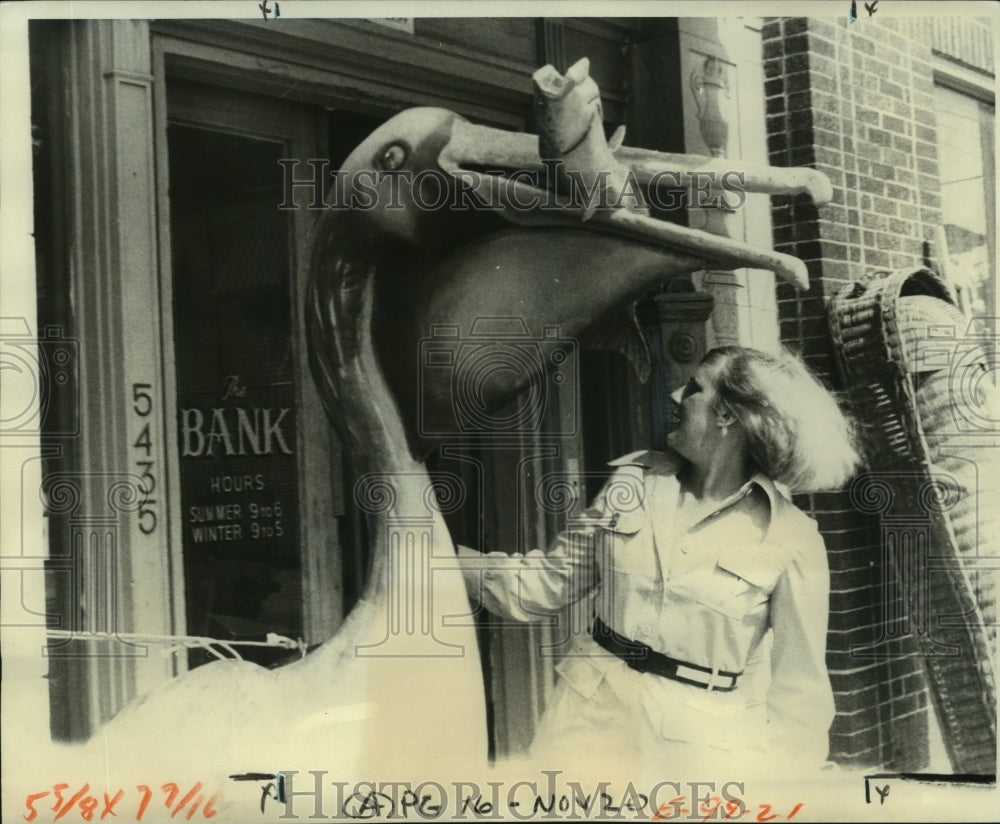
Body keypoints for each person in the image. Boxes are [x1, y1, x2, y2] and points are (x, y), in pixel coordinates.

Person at [459, 346, 860, 779]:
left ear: (726, 415)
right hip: (584, 726)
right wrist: (437, 561)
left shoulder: (792, 538)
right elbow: (548, 584)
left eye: (694, 388)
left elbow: (799, 693)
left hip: (696, 755)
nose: (673, 395)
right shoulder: (633, 484)